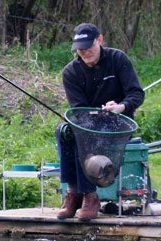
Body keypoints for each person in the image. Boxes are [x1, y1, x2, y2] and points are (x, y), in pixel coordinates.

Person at [55, 23, 144, 221]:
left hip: (118, 123)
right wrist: (91, 117)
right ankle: (73, 192)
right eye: (80, 49)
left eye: (89, 46)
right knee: (64, 131)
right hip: (87, 123)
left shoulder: (118, 59)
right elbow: (79, 110)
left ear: (100, 40)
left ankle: (90, 195)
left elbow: (136, 94)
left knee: (83, 133)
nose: (85, 52)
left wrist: (120, 107)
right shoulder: (70, 72)